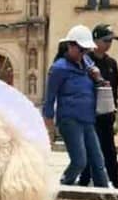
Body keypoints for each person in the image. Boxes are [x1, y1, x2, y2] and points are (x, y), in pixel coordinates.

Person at [42, 25, 109, 187]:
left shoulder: (88, 65)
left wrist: (98, 77)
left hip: (88, 119)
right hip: (70, 120)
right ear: (71, 45)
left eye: (86, 50)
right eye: (81, 50)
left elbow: (99, 87)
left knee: (98, 162)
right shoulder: (58, 68)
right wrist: (49, 128)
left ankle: (106, 193)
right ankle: (63, 186)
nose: (83, 54)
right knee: (79, 161)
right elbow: (49, 99)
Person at [78, 24, 118, 188]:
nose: (109, 44)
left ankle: (117, 182)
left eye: (111, 41)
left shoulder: (111, 63)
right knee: (90, 148)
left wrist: (114, 108)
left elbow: (115, 89)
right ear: (95, 41)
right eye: (106, 40)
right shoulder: (85, 62)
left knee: (109, 149)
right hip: (90, 113)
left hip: (106, 113)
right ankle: (84, 181)